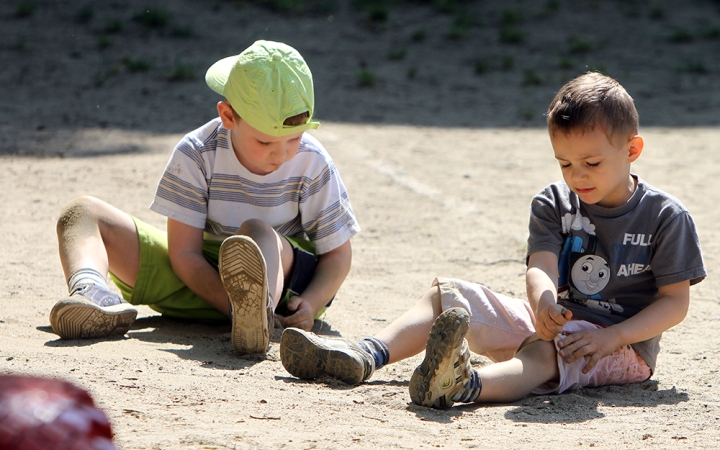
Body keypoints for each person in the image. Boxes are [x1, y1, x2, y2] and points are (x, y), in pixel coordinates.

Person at [279, 72, 706, 408]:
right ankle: (364, 355)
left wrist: (611, 339)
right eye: (565, 163)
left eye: (592, 162)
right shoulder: (554, 201)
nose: (577, 175)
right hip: (555, 321)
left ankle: (462, 385)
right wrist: (541, 301)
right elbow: (541, 264)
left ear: (633, 149)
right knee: (448, 295)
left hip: (618, 344)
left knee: (542, 352)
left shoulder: (667, 216)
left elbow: (674, 302)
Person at [49, 40, 360, 355]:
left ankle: (257, 314)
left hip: (282, 291)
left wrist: (313, 302)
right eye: (265, 141)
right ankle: (92, 293)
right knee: (82, 212)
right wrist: (231, 305)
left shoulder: (312, 161)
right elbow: (184, 254)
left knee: (256, 231)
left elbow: (337, 256)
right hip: (198, 277)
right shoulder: (196, 153)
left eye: (294, 138)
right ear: (228, 115)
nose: (281, 153)